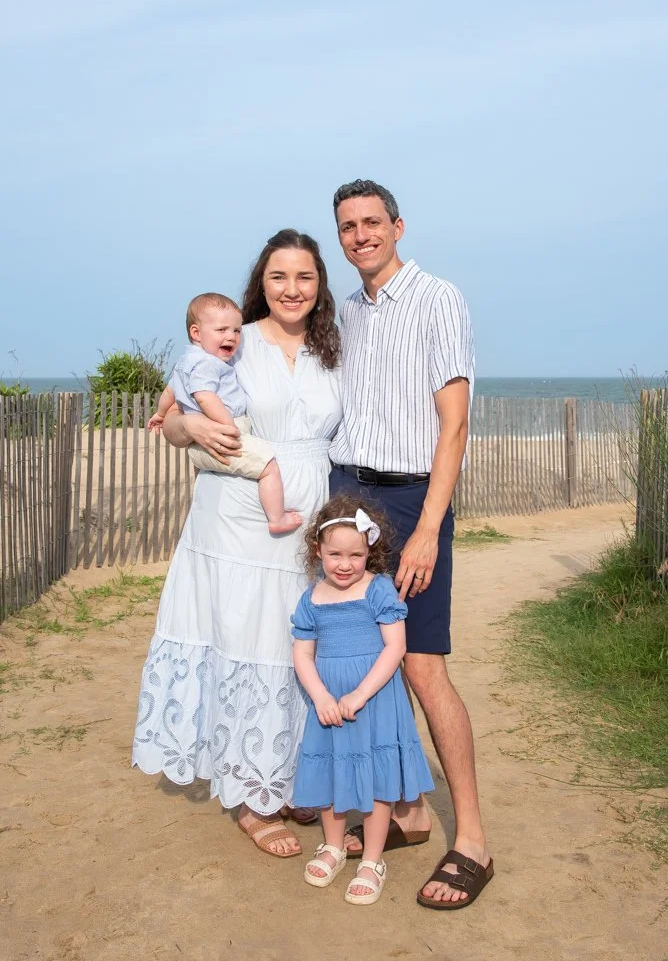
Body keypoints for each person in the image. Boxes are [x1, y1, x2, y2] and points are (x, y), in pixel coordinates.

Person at [132, 229, 341, 857]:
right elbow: (170, 421)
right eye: (279, 277)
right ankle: (250, 796)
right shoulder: (233, 338)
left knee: (295, 642)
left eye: (304, 277)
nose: (292, 289)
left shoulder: (335, 347)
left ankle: (288, 776)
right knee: (245, 638)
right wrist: (186, 421)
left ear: (318, 284)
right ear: (262, 282)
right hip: (235, 516)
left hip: (309, 511)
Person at [328, 179, 494, 910]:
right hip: (349, 494)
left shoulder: (437, 298)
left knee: (424, 669)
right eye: (347, 226)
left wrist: (427, 527)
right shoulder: (347, 312)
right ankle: (412, 811)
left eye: (371, 222)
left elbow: (453, 425)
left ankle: (474, 843)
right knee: (372, 665)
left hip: (410, 498)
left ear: (398, 226)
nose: (360, 235)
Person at [291, 494, 434, 906]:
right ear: (318, 550)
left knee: (375, 776)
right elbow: (302, 653)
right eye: (334, 553)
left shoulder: (379, 590)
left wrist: (359, 694)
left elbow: (395, 648)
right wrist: (320, 697)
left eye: (355, 554)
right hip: (329, 703)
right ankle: (333, 847)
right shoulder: (312, 598)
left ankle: (372, 860)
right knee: (332, 774)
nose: (344, 563)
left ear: (368, 550)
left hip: (372, 700)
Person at [148, 292, 301, 534]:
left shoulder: (185, 361)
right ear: (196, 333)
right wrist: (228, 425)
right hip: (224, 431)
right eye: (221, 330)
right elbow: (205, 396)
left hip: (203, 441)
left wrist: (159, 413)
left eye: (236, 331)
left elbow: (170, 391)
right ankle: (277, 518)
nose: (231, 337)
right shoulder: (207, 364)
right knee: (268, 467)